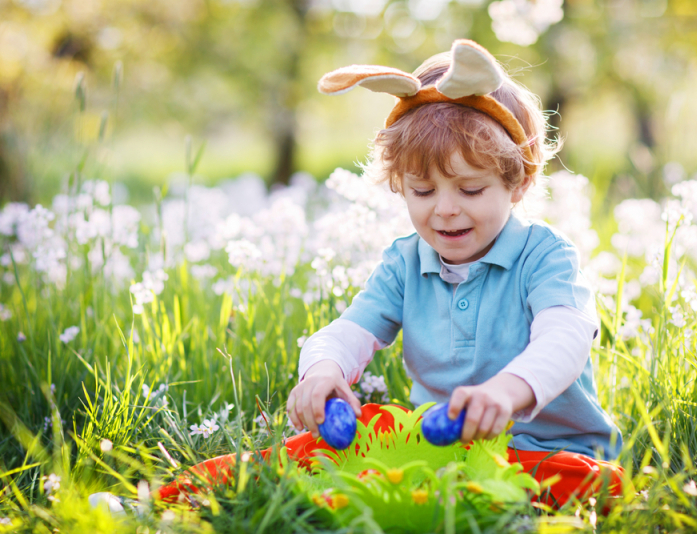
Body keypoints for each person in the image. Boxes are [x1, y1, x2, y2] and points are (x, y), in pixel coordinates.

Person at [156, 40, 623, 509]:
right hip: (440, 447)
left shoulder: (545, 256)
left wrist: (506, 392)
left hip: (541, 451)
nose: (444, 209)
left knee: (591, 485)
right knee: (321, 449)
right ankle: (167, 498)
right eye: (422, 191)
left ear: (518, 181)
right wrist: (322, 371)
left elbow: (564, 338)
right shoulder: (405, 262)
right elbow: (348, 332)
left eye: (471, 188)